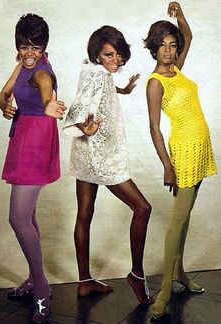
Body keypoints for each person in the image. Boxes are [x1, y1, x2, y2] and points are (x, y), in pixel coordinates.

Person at [63, 25, 153, 304]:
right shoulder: (97, 74)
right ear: (97, 54)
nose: (115, 61)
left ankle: (84, 282)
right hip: (99, 154)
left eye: (118, 55)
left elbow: (100, 88)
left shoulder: (93, 70)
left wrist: (123, 89)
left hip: (83, 152)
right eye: (108, 55)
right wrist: (84, 127)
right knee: (143, 208)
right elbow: (77, 108)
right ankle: (136, 276)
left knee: (84, 214)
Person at [144, 2, 217, 319]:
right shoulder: (157, 82)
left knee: (185, 215)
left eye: (173, 45)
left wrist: (180, 15)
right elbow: (154, 127)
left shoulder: (178, 70)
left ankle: (181, 274)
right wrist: (167, 166)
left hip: (200, 147)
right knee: (177, 220)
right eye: (163, 45)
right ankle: (163, 291)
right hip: (183, 152)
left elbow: (188, 34)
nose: (169, 51)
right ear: (154, 48)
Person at [0, 13, 65, 323]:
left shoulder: (42, 72)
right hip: (22, 136)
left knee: (17, 217)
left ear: (44, 49)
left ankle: (40, 288)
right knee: (29, 216)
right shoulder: (22, 64)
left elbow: (45, 88)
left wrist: (49, 103)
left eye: (36, 48)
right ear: (18, 46)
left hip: (35, 142)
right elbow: (4, 93)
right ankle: (33, 278)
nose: (29, 54)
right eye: (24, 46)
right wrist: (5, 104)